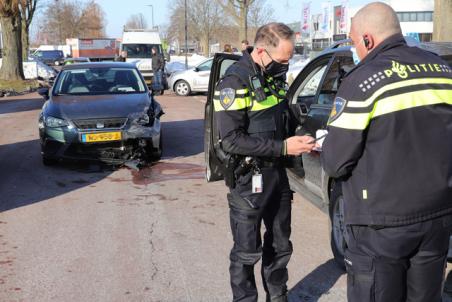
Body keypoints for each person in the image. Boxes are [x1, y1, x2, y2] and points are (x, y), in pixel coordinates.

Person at [321, 2, 452, 302]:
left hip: (381, 225)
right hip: (437, 215)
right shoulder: (444, 71)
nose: (354, 48)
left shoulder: (362, 82)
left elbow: (336, 162)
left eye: (354, 41)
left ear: (367, 39)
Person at [214, 22, 316, 302]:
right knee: (247, 252)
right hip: (249, 180)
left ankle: (277, 296)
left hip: (277, 178)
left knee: (281, 246)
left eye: (289, 59)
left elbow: (282, 120)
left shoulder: (273, 77)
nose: (286, 65)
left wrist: (303, 137)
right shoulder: (234, 82)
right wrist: (283, 146)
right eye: (283, 60)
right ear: (261, 51)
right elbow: (231, 140)